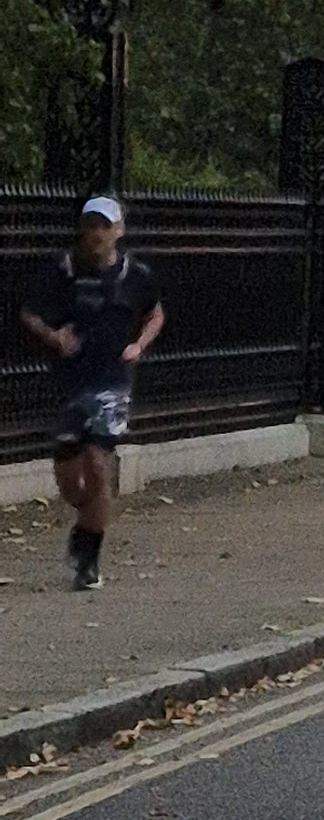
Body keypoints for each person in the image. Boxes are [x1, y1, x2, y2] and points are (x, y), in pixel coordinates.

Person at [20, 192, 164, 589]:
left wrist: (139, 344)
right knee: (71, 482)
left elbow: (155, 312)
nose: (96, 233)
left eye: (105, 225)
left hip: (111, 383)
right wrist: (54, 336)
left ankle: (89, 558)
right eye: (90, 225)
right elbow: (28, 312)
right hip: (69, 383)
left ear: (119, 230)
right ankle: (87, 523)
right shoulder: (62, 270)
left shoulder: (136, 276)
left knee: (99, 466)